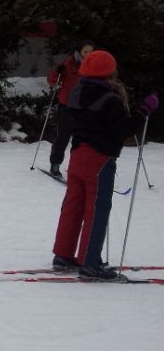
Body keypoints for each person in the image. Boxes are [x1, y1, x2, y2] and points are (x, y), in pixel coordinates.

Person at [51, 50, 159, 280]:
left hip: (77, 155)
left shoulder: (76, 92)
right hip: (99, 160)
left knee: (73, 206)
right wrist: (144, 111)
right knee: (97, 210)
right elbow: (124, 131)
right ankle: (90, 264)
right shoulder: (110, 99)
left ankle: (63, 254)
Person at [46, 42, 94, 177]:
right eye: (85, 52)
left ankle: (76, 167)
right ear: (78, 52)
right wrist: (57, 71)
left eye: (91, 52)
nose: (88, 55)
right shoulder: (68, 64)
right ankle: (55, 163)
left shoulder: (94, 65)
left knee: (81, 140)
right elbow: (51, 81)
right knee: (62, 137)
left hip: (84, 107)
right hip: (67, 106)